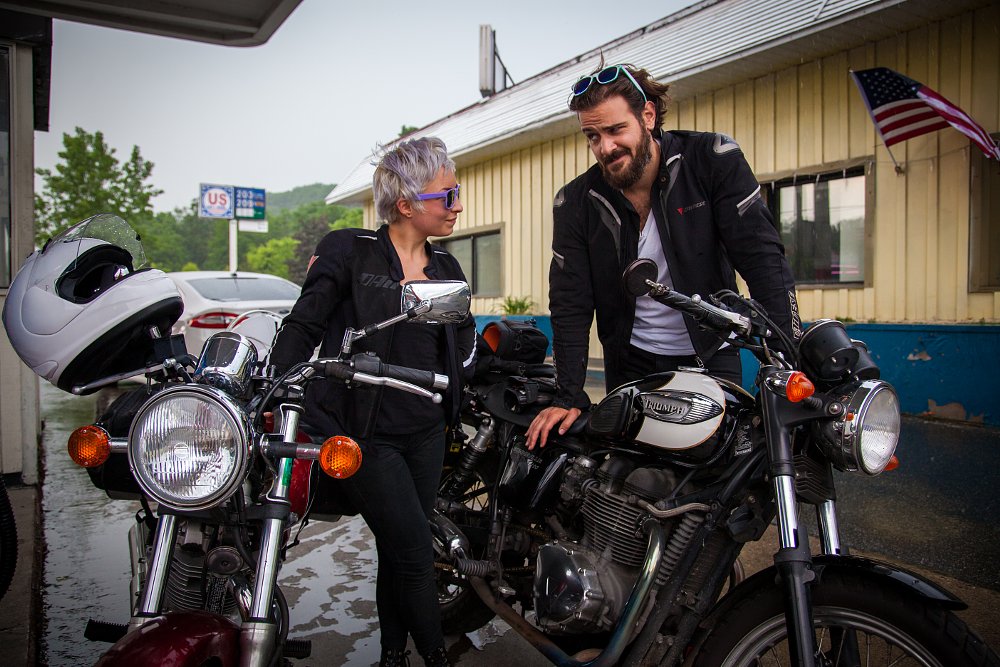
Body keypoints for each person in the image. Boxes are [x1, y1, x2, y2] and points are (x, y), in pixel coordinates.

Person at [269, 136, 475, 667]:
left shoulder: (447, 269)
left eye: (456, 193)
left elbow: (463, 341)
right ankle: (435, 657)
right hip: (361, 432)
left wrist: (460, 384)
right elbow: (304, 323)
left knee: (395, 546)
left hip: (425, 429)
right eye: (447, 195)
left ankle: (391, 656)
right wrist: (276, 385)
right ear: (405, 205)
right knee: (414, 548)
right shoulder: (350, 251)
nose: (458, 205)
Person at [526, 62, 801, 449]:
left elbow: (764, 262)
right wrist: (567, 395)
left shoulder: (711, 161)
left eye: (616, 129)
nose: (605, 147)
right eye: (592, 136)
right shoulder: (576, 202)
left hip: (711, 353)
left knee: (721, 468)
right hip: (631, 363)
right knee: (633, 470)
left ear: (648, 116)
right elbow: (570, 302)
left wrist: (791, 364)